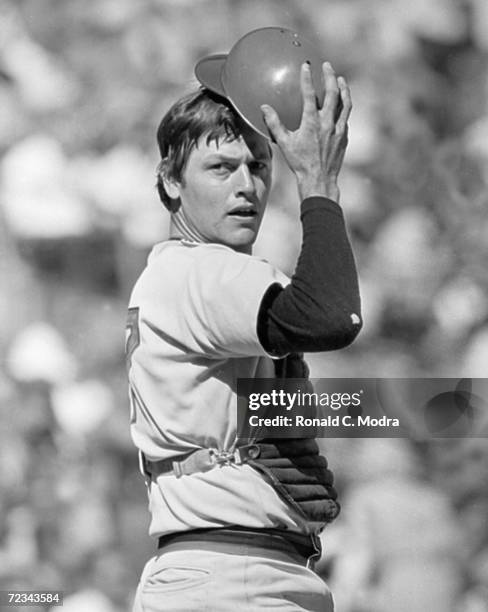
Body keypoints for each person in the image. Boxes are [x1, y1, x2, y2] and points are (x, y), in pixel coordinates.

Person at [126, 59, 362, 612]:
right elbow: (332, 317)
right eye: (220, 167)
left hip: (227, 571)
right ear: (169, 180)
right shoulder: (198, 271)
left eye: (257, 165)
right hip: (231, 579)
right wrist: (320, 184)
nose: (246, 185)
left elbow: (277, 419)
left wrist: (459, 408)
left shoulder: (187, 283)